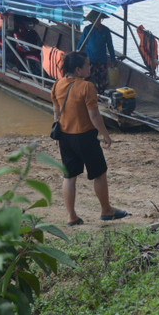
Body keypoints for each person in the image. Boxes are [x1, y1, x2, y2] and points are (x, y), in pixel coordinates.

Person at [52, 51, 129, 225]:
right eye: (87, 65)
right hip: (84, 136)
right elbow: (94, 116)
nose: (90, 67)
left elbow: (56, 112)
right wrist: (106, 135)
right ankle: (106, 210)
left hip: (65, 136)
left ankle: (71, 216)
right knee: (99, 173)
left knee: (69, 176)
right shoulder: (87, 87)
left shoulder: (57, 85)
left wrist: (57, 135)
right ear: (78, 70)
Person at [77, 10, 117, 92]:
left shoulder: (106, 30)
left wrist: (113, 59)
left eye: (98, 19)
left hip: (102, 60)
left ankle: (100, 94)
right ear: (91, 21)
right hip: (90, 60)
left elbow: (110, 46)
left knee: (102, 81)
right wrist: (77, 54)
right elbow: (81, 43)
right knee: (87, 79)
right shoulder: (87, 29)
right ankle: (87, 94)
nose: (97, 21)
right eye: (94, 20)